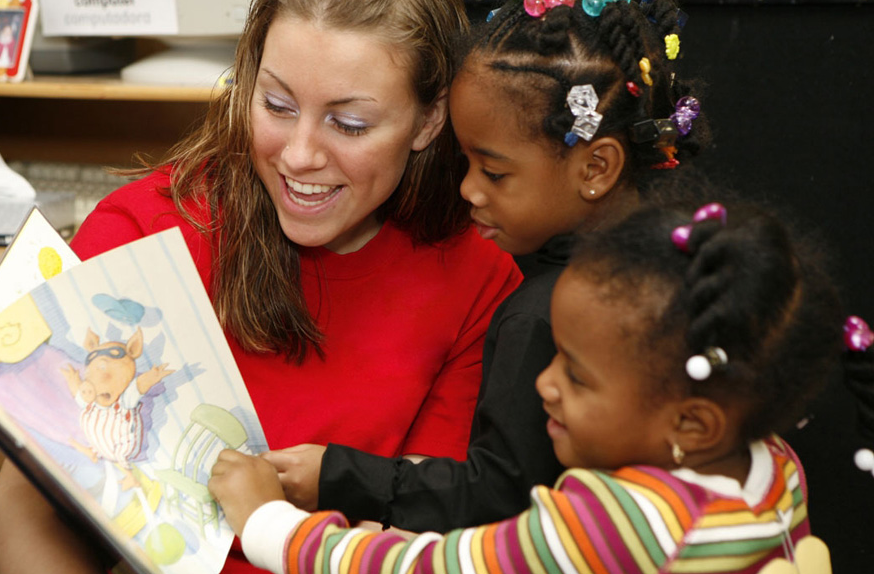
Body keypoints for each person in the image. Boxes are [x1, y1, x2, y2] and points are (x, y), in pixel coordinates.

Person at [0, 0, 521, 573]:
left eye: (349, 123)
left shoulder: (479, 277)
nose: (299, 155)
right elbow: (26, 502)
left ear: (428, 121)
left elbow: (418, 528)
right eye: (276, 105)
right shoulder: (144, 234)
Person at [262, 0, 711, 534]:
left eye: (493, 172)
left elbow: (499, 496)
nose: (468, 188)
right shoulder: (688, 258)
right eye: (465, 162)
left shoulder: (543, 314)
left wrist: (334, 474)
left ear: (595, 166)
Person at [210, 197, 871, 573]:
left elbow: (424, 569)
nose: (545, 386)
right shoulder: (772, 466)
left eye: (577, 377)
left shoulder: (624, 520)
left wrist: (267, 520)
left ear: (692, 424)